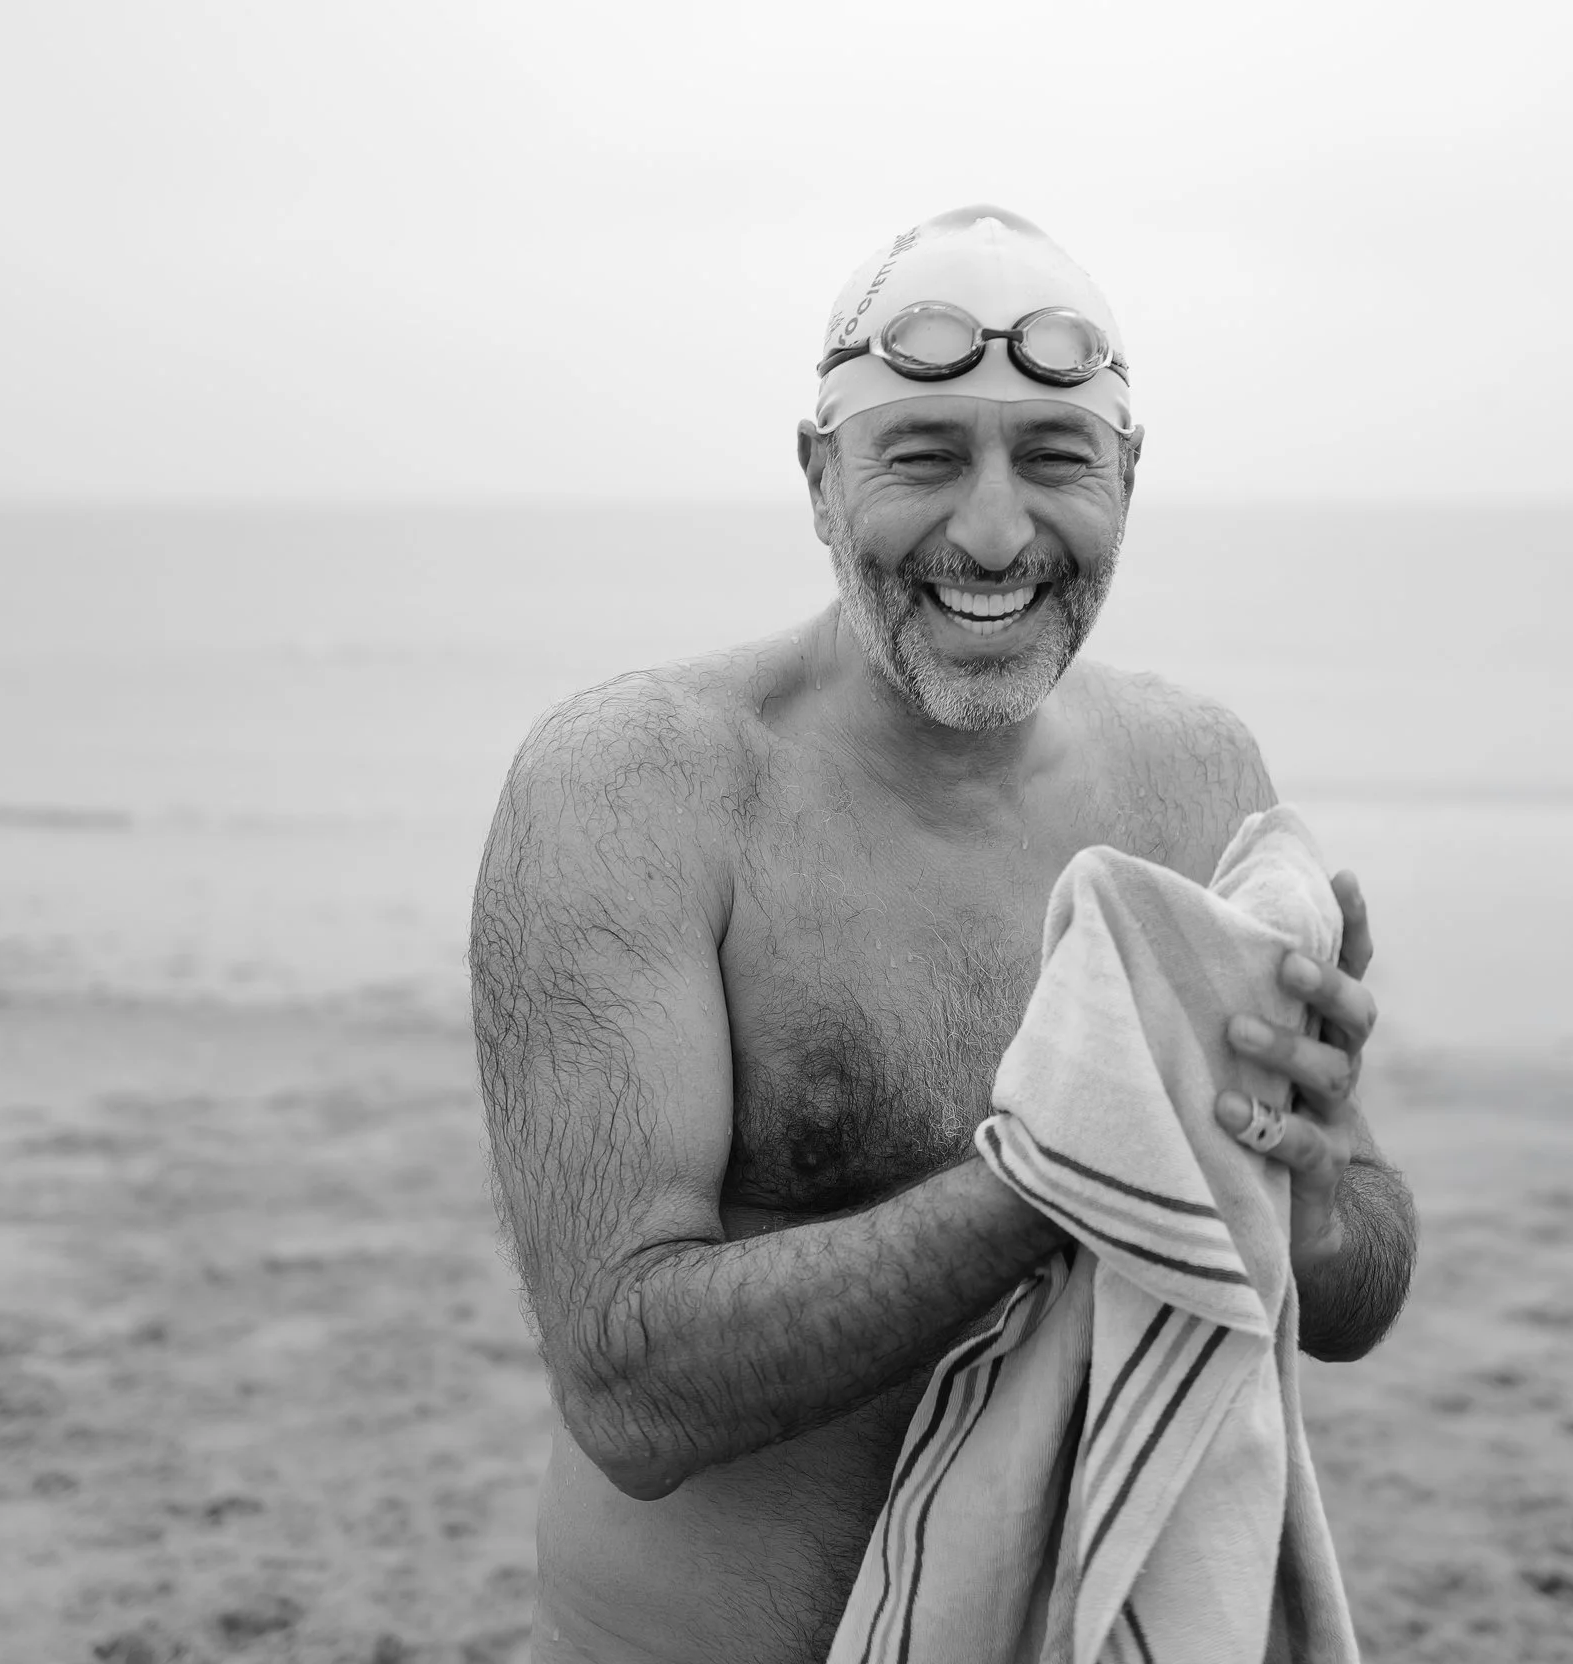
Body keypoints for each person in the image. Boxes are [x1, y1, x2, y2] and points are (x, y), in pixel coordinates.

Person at [467, 205, 1418, 1663]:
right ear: (818, 476)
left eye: (1054, 460)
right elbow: (630, 1388)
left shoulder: (1200, 780)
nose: (991, 532)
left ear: (1128, 477)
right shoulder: (639, 791)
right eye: (922, 455)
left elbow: (1348, 1299)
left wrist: (1310, 1168)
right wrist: (1062, 1176)